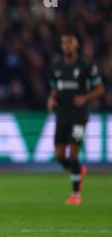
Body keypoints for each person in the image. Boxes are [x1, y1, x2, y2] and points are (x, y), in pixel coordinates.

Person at [47, 34, 104, 205]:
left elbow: (100, 89)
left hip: (79, 115)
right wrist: (51, 99)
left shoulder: (86, 65)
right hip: (62, 114)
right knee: (59, 155)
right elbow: (54, 88)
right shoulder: (56, 67)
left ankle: (75, 194)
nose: (67, 46)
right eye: (64, 42)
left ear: (77, 45)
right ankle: (79, 170)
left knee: (73, 154)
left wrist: (85, 98)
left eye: (70, 42)